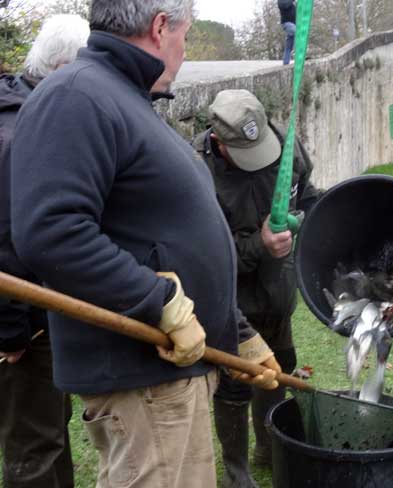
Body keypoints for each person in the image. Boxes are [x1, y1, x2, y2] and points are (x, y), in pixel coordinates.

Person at [9, 2, 280, 487]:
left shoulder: (127, 99)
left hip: (171, 377)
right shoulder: (76, 96)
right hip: (143, 383)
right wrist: (158, 303)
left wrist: (236, 332)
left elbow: (167, 236)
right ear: (160, 27)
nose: (183, 49)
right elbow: (52, 231)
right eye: (185, 34)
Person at [193, 89, 321, 488]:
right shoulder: (195, 171)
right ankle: (237, 471)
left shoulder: (287, 148)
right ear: (217, 140)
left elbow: (310, 198)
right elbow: (201, 252)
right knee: (234, 384)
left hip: (277, 292)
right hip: (230, 302)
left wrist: (306, 224)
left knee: (279, 367)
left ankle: (269, 447)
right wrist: (259, 245)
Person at [0, 14, 89, 488]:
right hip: (23, 325)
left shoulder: (32, 112)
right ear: (62, 67)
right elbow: (5, 239)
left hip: (41, 315)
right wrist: (12, 331)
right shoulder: (19, 132)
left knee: (50, 431)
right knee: (33, 446)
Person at [277, 0, 296, 65]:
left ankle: (285, 63)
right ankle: (298, 53)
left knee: (288, 46)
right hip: (287, 24)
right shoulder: (281, 1)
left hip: (293, 24)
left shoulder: (291, 3)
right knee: (297, 33)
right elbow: (285, 5)